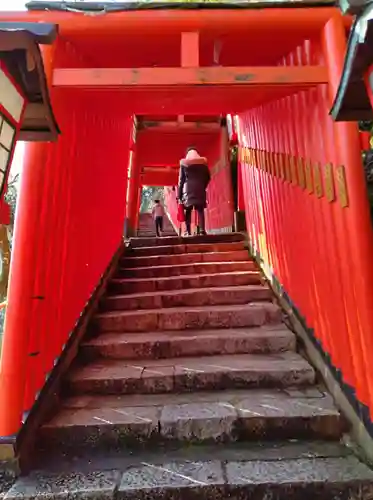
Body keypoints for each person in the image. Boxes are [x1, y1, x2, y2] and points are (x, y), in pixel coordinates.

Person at [178, 147, 210, 236]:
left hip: (187, 190)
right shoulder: (203, 164)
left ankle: (188, 231)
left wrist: (179, 195)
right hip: (200, 188)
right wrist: (203, 185)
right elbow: (208, 177)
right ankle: (202, 230)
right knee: (200, 210)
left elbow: (181, 180)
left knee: (188, 210)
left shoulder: (184, 164)